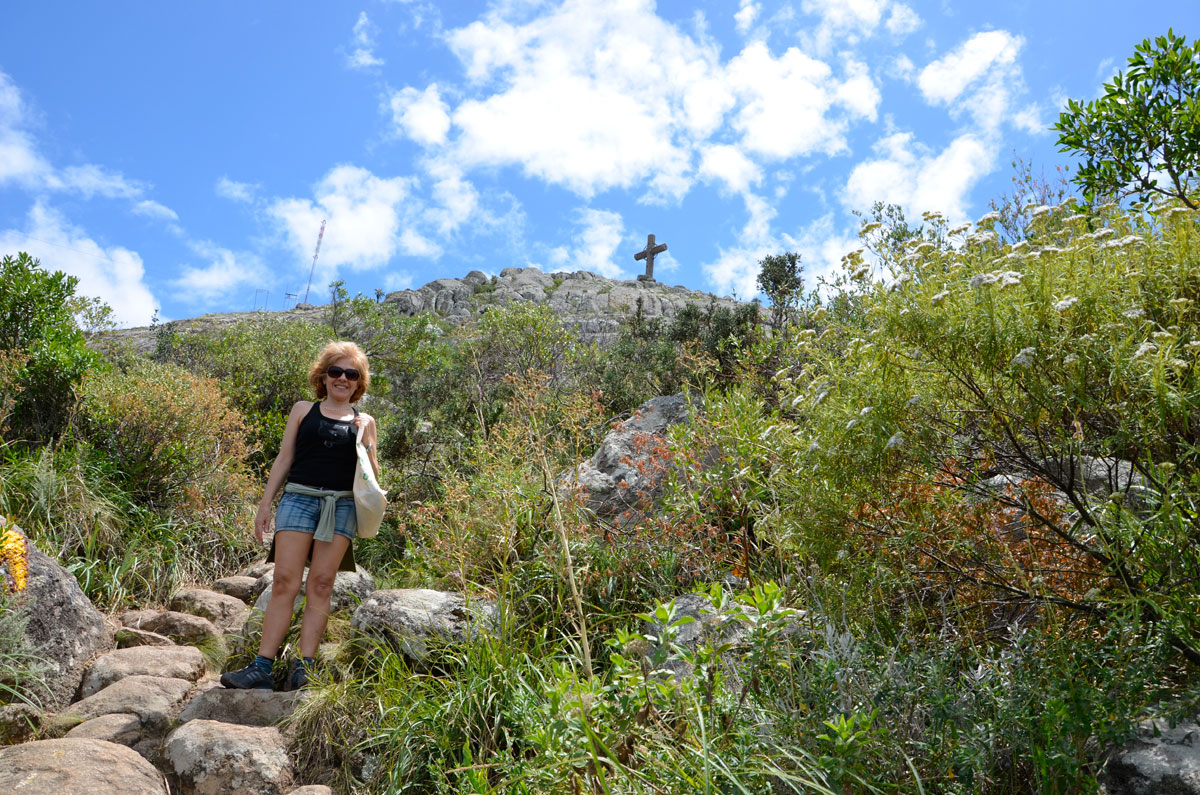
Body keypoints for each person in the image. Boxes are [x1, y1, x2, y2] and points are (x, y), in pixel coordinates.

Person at [221, 341, 380, 690]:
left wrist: (364, 440)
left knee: (321, 584)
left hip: (341, 507)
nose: (342, 378)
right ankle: (262, 667)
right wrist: (265, 505)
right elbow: (284, 459)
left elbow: (372, 477)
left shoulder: (364, 421)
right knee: (284, 582)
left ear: (358, 383)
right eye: (335, 371)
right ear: (323, 376)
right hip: (299, 499)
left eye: (351, 374)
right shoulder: (302, 410)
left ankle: (304, 667)